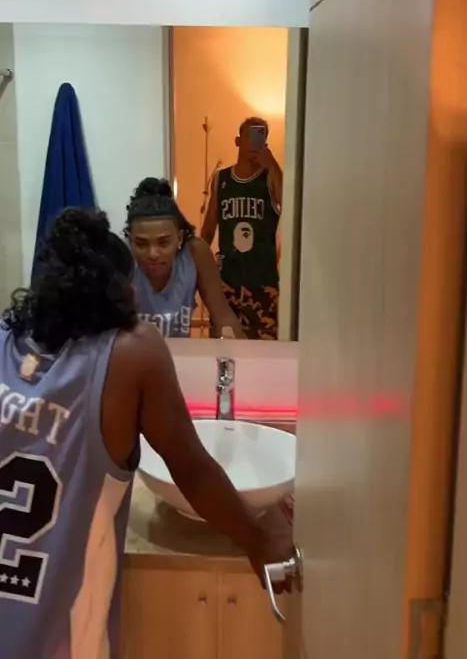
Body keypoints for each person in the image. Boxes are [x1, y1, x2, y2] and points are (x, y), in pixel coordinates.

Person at [0, 208, 292, 659]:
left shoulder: (5, 339)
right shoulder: (134, 352)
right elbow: (192, 471)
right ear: (122, 287)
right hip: (62, 637)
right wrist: (258, 541)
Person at [126, 177, 244, 338]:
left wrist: (236, 348)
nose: (153, 254)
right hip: (132, 353)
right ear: (130, 241)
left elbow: (223, 316)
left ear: (179, 238)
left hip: (181, 353)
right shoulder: (121, 257)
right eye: (141, 244)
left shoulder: (196, 253)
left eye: (163, 243)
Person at [201, 117, 283, 339]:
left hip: (263, 282)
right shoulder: (221, 179)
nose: (255, 142)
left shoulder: (270, 177)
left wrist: (273, 164)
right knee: (224, 346)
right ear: (238, 141)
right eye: (250, 135)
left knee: (264, 346)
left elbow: (290, 205)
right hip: (228, 281)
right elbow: (208, 230)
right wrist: (199, 271)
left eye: (261, 136)